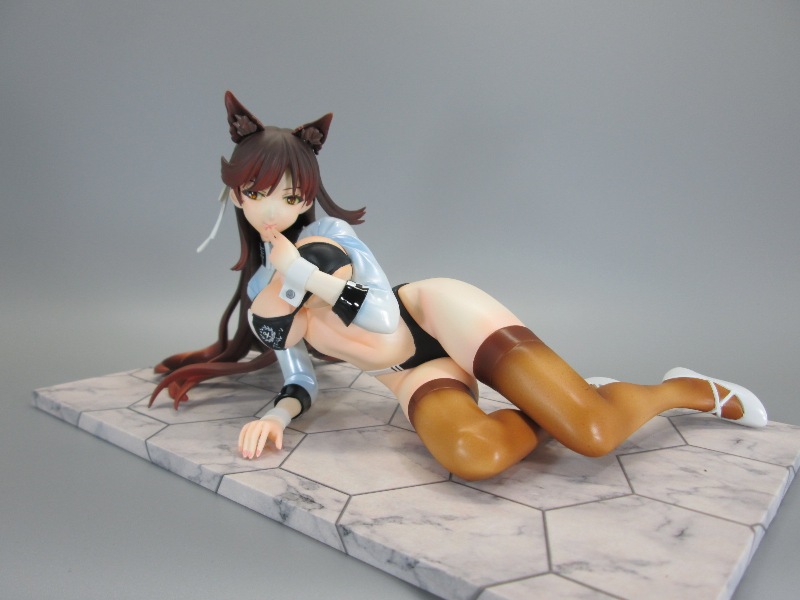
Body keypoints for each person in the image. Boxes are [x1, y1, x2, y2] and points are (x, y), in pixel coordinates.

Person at [150, 91, 767, 482]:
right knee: (475, 457)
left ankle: (685, 389)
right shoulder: (263, 286)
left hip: (436, 316)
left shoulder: (329, 238)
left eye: (290, 196)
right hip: (407, 374)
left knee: (596, 435)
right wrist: (279, 415)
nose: (273, 208)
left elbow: (382, 317)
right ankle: (557, 405)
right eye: (256, 193)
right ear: (235, 191)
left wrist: (304, 275)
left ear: (307, 195)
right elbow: (299, 374)